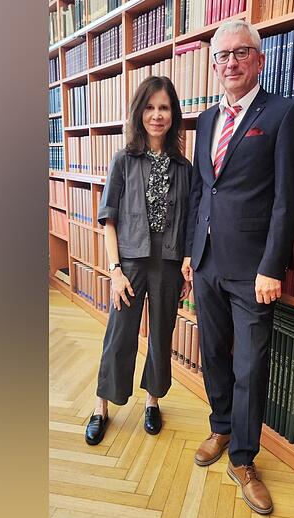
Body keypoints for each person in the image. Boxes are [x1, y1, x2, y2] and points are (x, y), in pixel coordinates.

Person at [182, 20, 294, 515]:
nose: (230, 62)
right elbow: (201, 191)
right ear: (213, 65)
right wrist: (191, 253)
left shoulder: (283, 113)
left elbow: (288, 199)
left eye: (240, 53)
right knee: (213, 352)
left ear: (259, 59)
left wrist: (272, 265)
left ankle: (243, 458)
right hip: (207, 262)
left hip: (254, 269)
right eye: (222, 55)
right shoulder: (206, 120)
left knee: (251, 365)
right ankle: (220, 427)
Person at [85, 76, 193, 445]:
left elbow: (190, 221)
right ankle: (101, 406)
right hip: (129, 263)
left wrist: (187, 268)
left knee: (162, 336)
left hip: (169, 263)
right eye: (149, 107)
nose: (157, 115)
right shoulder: (124, 160)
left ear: (173, 115)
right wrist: (115, 271)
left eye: (164, 107)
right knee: (119, 335)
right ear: (139, 112)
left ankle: (152, 401)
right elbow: (109, 220)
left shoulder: (184, 167)